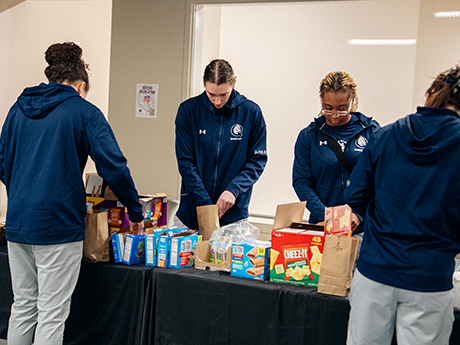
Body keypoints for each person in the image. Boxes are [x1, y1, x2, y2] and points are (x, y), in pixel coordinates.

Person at [0, 42, 144, 345]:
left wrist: (24, 191)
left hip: (18, 222)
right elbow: (114, 168)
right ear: (82, 85)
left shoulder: (17, 109)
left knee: (23, 306)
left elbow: (3, 162)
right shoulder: (84, 111)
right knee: (52, 312)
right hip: (58, 223)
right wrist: (135, 209)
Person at [345, 64, 460, 345]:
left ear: (428, 95)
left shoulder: (386, 135)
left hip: (375, 271)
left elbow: (355, 199)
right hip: (428, 277)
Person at [174, 59, 267, 230]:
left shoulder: (251, 112)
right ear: (204, 83)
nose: (217, 101)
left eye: (223, 95)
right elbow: (185, 162)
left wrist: (233, 190)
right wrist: (205, 203)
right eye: (211, 95)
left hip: (233, 215)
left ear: (234, 82)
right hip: (191, 214)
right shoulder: (188, 111)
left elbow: (257, 161)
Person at [292, 71, 379, 233]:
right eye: (328, 108)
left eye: (342, 109)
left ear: (352, 101)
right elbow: (301, 181)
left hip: (362, 229)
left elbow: (380, 180)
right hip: (322, 226)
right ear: (321, 101)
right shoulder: (309, 136)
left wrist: (359, 214)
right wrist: (324, 214)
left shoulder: (371, 132)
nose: (334, 116)